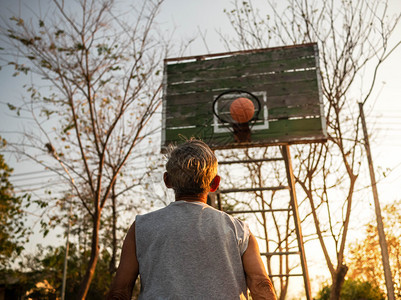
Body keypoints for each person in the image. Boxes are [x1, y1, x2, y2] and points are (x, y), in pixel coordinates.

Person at [107, 140, 277, 300]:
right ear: (215, 183)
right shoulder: (239, 230)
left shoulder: (141, 228)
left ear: (167, 181)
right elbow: (261, 285)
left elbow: (120, 292)